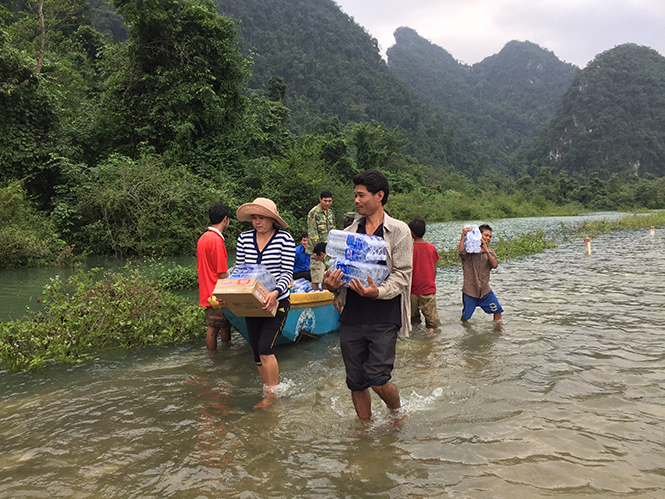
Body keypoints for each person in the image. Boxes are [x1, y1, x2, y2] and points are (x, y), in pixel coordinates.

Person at [323, 170, 412, 421]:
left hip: (384, 315)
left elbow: (403, 275)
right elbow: (338, 270)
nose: (356, 200)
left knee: (378, 379)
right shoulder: (349, 232)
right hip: (352, 313)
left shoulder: (399, 232)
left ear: (379, 196)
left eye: (361, 195)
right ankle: (365, 428)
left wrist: (378, 291)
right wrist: (331, 285)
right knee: (356, 381)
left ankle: (397, 413)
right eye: (355, 195)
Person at [235, 197, 296, 408]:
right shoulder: (244, 238)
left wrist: (275, 292)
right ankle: (268, 387)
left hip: (276, 301)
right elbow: (239, 271)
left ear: (272, 219)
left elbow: (288, 272)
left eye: (261, 217)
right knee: (255, 351)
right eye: (254, 218)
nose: (257, 222)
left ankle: (272, 394)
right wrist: (228, 290)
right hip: (253, 303)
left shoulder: (284, 239)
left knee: (265, 348)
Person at [197, 204, 232, 350]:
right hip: (216, 292)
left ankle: (220, 356)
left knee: (221, 324)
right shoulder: (216, 241)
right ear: (225, 219)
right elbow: (222, 272)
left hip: (206, 290)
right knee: (214, 327)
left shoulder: (203, 238)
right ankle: (216, 358)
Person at [459, 224, 503, 323]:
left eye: (490, 236)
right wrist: (463, 236)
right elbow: (461, 253)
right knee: (466, 316)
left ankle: (498, 332)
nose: (488, 238)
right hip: (470, 290)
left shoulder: (490, 252)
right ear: (479, 235)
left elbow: (494, 265)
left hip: (485, 290)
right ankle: (462, 330)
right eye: (486, 235)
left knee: (498, 310)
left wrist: (486, 250)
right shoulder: (470, 251)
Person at [408, 217, 441, 334]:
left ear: (410, 232)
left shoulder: (409, 248)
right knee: (431, 322)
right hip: (428, 288)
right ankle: (431, 338)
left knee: (412, 319)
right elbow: (434, 268)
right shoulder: (431, 247)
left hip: (412, 289)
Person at [306, 190, 335, 255]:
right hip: (316, 251)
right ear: (320, 199)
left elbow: (333, 230)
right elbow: (312, 233)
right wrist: (319, 250)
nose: (327, 203)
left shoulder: (330, 213)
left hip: (328, 249)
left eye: (329, 201)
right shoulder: (314, 212)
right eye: (325, 201)